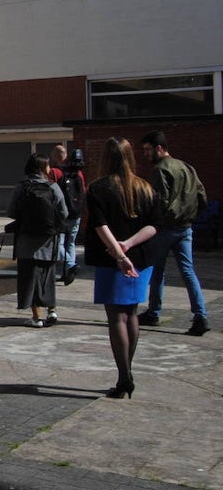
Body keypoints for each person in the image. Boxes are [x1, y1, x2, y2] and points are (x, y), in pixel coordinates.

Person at [86, 137, 158, 398]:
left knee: (116, 317)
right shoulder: (146, 188)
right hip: (141, 257)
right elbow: (153, 225)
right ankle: (127, 372)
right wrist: (128, 245)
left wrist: (118, 254)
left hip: (110, 259)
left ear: (106, 158)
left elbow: (100, 225)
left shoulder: (98, 188)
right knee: (132, 313)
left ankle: (124, 376)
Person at [138, 131, 211, 336]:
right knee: (188, 272)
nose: (145, 154)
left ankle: (153, 312)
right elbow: (202, 196)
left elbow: (159, 202)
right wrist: (191, 216)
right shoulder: (187, 167)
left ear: (159, 148)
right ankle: (200, 315)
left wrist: (153, 222)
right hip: (185, 227)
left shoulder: (161, 170)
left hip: (166, 228)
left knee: (157, 271)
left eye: (147, 150)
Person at [7, 153, 68, 327]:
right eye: (48, 166)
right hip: (48, 240)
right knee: (48, 276)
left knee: (29, 278)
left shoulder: (21, 187)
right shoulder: (53, 187)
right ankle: (52, 311)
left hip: (26, 241)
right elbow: (64, 212)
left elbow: (11, 211)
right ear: (43, 168)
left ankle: (36, 317)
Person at [48, 144, 85, 285]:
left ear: (56, 156)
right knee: (71, 243)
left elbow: (50, 194)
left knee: (58, 244)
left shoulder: (54, 172)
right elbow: (83, 191)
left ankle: (70, 265)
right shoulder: (78, 172)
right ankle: (68, 272)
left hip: (61, 214)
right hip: (76, 213)